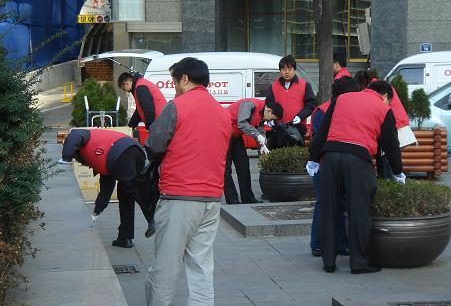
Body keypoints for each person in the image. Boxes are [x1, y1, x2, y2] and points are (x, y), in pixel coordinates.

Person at [144, 57, 231, 306]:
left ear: (184, 78)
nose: (174, 88)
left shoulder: (177, 106)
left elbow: (155, 144)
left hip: (179, 198)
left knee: (165, 268)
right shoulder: (222, 112)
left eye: (174, 81)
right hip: (211, 200)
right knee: (201, 267)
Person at [308, 80, 403, 274]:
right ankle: (359, 262)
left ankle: (328, 261)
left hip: (330, 156)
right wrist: (397, 170)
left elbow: (324, 130)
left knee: (329, 208)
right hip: (357, 159)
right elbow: (391, 145)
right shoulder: (383, 109)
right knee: (358, 210)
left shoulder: (341, 99)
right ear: (384, 97)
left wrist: (314, 157)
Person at [59, 128, 154, 247]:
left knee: (132, 188)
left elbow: (75, 135)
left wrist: (66, 158)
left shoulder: (84, 137)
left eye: (80, 161)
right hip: (134, 150)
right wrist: (95, 214)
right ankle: (125, 237)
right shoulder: (103, 162)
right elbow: (106, 191)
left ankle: (153, 218)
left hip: (122, 152)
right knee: (126, 193)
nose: (83, 165)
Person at [309, 77, 358, 258]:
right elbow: (319, 140)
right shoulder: (323, 111)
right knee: (324, 203)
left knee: (340, 204)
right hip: (323, 164)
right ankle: (318, 243)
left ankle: (340, 243)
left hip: (340, 163)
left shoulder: (347, 110)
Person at [224, 99, 283, 204]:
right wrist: (257, 135)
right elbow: (242, 123)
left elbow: (259, 130)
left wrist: (263, 146)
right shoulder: (250, 105)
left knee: (244, 166)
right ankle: (232, 199)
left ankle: (248, 198)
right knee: (226, 170)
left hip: (236, 137)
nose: (269, 121)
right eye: (271, 119)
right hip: (223, 134)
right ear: (269, 111)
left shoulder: (262, 115)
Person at [265, 54, 316, 138]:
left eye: (290, 69)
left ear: (294, 70)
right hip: (278, 128)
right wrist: (270, 120)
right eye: (284, 69)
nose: (287, 72)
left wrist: (300, 116)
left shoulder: (305, 85)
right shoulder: (273, 86)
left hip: (297, 128)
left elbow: (311, 105)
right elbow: (268, 105)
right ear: (280, 71)